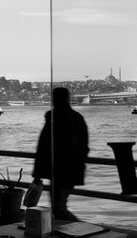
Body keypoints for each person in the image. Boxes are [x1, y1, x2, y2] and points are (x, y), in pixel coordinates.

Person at [32, 87, 89, 221]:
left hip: (58, 169)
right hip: (72, 168)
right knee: (59, 206)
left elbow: (43, 147)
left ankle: (80, 229)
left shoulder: (53, 118)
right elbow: (84, 147)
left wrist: (38, 173)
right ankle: (76, 229)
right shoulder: (77, 118)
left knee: (58, 207)